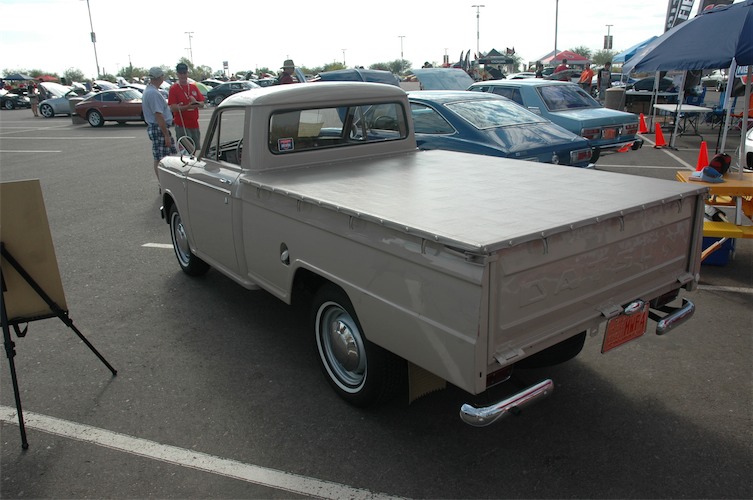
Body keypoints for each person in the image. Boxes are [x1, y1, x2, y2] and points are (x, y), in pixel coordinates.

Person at [142, 66, 176, 182]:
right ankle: (163, 182)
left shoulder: (151, 91)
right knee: (162, 158)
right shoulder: (153, 93)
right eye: (162, 75)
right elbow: (158, 115)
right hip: (158, 128)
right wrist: (166, 135)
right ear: (159, 77)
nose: (163, 78)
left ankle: (164, 181)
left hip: (158, 127)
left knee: (163, 156)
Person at [168, 62, 205, 152]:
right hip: (182, 125)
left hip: (194, 124)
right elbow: (173, 107)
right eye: (180, 73)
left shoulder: (193, 87)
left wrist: (195, 103)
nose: (183, 75)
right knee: (185, 151)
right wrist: (187, 107)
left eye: (184, 73)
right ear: (177, 74)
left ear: (187, 73)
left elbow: (202, 103)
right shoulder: (174, 89)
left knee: (195, 150)